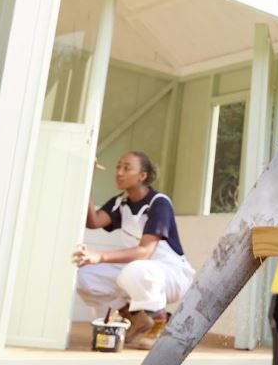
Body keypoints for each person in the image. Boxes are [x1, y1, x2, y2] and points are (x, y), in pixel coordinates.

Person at [73, 150, 195, 350]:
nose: (119, 172)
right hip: (139, 269)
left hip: (170, 273)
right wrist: (86, 177)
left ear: (143, 176)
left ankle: (159, 322)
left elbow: (144, 251)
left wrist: (99, 256)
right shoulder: (120, 202)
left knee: (135, 270)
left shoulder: (159, 203)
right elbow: (93, 221)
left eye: (126, 168)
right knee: (84, 275)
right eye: (118, 167)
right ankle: (135, 318)